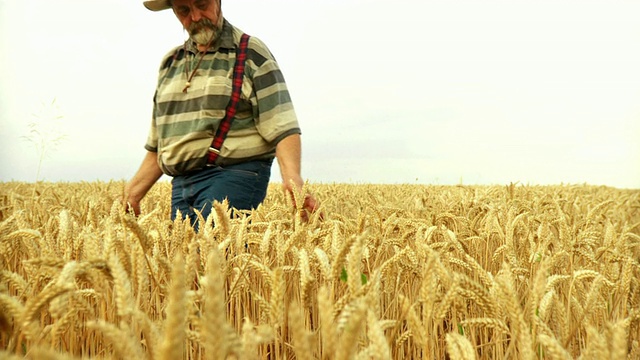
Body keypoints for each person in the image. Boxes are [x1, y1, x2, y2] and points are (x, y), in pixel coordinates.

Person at [124, 0, 319, 227]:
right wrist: (132, 193)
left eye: (202, 4)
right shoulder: (170, 64)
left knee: (213, 256)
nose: (196, 17)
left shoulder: (249, 52)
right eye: (184, 11)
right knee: (186, 259)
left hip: (233, 176)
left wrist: (292, 178)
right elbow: (160, 145)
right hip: (181, 185)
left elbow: (282, 124)